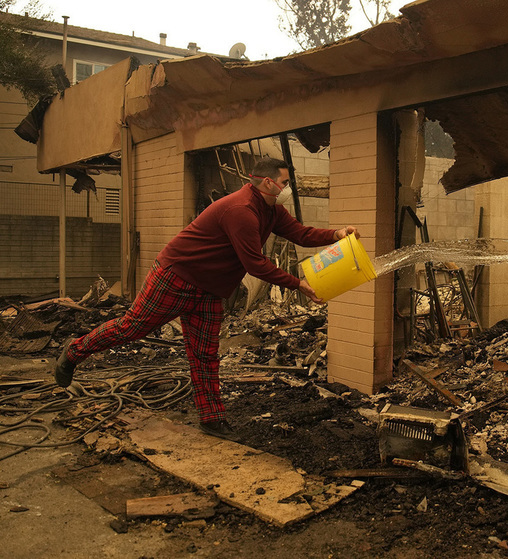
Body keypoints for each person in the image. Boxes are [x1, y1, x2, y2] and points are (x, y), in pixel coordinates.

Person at [54, 157, 358, 440]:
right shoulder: (241, 210)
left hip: (210, 289)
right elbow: (255, 263)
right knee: (133, 328)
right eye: (285, 183)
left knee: (204, 354)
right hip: (176, 277)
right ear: (267, 183)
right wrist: (298, 284)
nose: (287, 188)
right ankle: (74, 352)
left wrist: (336, 234)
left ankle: (211, 418)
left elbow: (301, 234)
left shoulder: (271, 210)